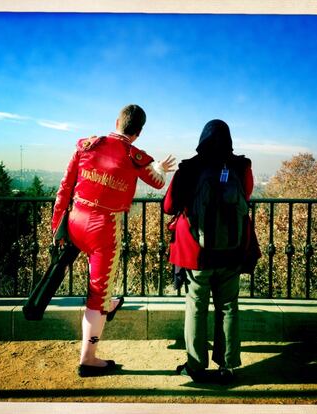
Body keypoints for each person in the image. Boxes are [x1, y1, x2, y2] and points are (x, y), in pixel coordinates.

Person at [52, 104, 175, 377]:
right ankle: (88, 359)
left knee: (101, 290)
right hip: (103, 228)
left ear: (117, 121)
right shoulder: (135, 156)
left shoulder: (87, 145)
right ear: (139, 132)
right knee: (97, 293)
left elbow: (65, 187)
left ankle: (109, 304)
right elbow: (156, 182)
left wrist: (56, 227)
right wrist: (161, 168)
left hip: (75, 220)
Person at [163, 119, 254, 384]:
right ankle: (228, 366)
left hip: (196, 253)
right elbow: (245, 196)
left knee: (196, 306)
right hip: (232, 250)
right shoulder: (241, 166)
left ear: (202, 139)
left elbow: (169, 205)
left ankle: (196, 366)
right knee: (228, 306)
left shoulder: (190, 168)